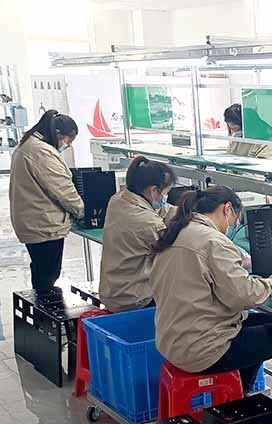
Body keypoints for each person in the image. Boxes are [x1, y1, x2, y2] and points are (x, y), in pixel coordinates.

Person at [150, 186, 272, 390]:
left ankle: (241, 391)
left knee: (267, 322)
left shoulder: (177, 232)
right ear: (227, 209)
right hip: (202, 350)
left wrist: (240, 273)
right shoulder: (213, 241)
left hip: (173, 340)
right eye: (236, 220)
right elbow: (244, 296)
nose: (234, 226)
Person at [9, 110, 84, 289]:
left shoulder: (28, 145)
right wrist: (81, 211)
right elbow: (62, 190)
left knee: (41, 272)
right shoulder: (41, 152)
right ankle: (44, 305)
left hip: (33, 222)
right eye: (67, 140)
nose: (67, 145)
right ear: (58, 134)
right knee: (47, 276)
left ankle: (40, 303)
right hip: (44, 225)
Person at [98, 156, 177, 312]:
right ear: (153, 191)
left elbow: (163, 210)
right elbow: (175, 252)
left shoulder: (119, 199)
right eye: (166, 192)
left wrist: (188, 212)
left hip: (113, 289)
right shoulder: (148, 223)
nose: (166, 197)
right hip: (134, 299)